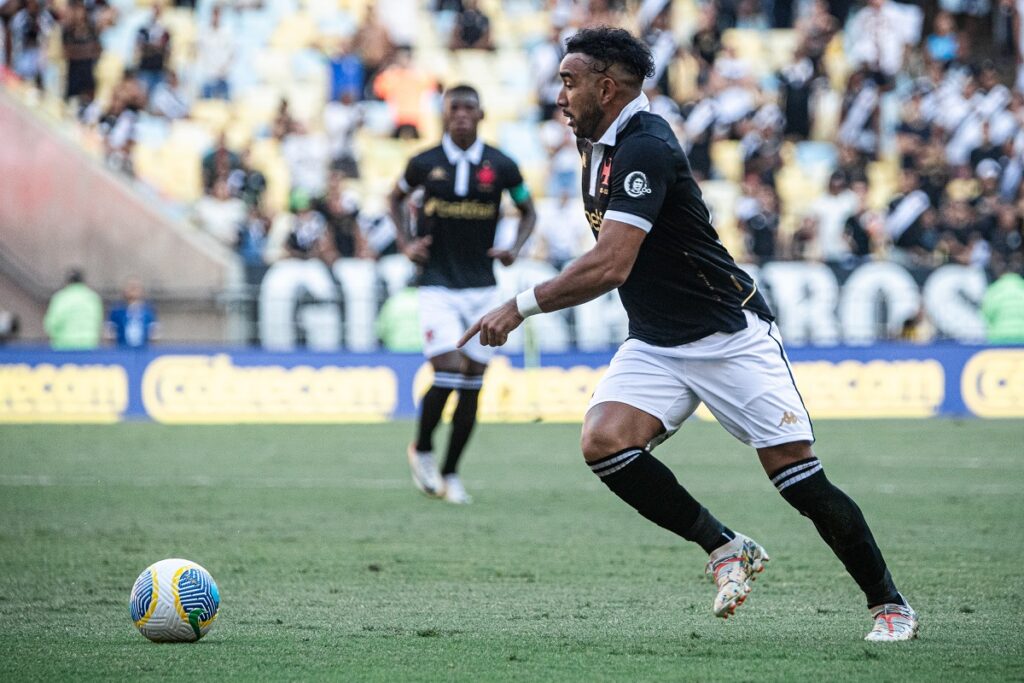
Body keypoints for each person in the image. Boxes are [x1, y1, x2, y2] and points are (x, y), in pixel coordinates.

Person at [459, 27, 917, 642]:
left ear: (607, 85)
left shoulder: (646, 147)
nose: (559, 95)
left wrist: (519, 306)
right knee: (605, 442)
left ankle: (889, 605)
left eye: (569, 82)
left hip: (726, 333)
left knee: (798, 479)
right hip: (656, 339)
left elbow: (612, 262)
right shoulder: (596, 144)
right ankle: (726, 547)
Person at [389, 84, 536, 504]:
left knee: (473, 381)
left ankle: (451, 473)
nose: (461, 115)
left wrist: (515, 247)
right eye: (454, 108)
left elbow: (528, 209)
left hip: (483, 287)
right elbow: (394, 199)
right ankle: (421, 448)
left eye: (469, 108)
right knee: (450, 368)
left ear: (481, 114)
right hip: (437, 284)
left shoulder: (502, 166)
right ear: (443, 114)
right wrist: (405, 243)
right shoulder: (424, 163)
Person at [44, 269, 103, 349]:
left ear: (68, 282)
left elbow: (51, 324)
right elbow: (98, 320)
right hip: (89, 346)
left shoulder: (60, 297)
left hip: (63, 346)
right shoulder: (93, 298)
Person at [106, 278, 158, 349]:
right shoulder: (116, 311)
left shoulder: (149, 312)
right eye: (130, 287)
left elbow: (153, 336)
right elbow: (110, 336)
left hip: (143, 352)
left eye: (136, 287)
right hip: (122, 351)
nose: (133, 289)